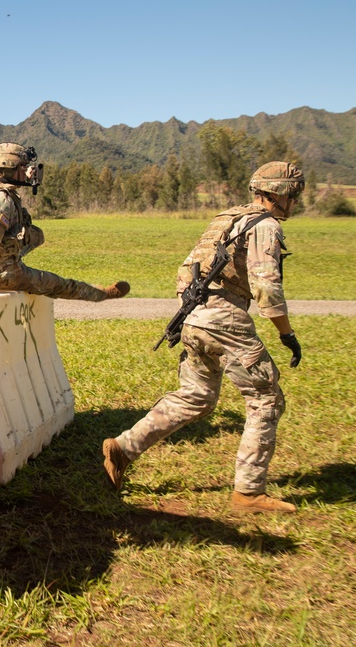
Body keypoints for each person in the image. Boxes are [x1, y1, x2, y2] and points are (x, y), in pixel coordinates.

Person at [103, 161, 306, 513]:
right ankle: (249, 494)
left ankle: (123, 447)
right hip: (224, 319)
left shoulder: (226, 219)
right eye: (295, 195)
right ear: (281, 193)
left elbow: (187, 270)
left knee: (196, 396)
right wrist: (286, 334)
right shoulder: (266, 226)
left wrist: (196, 313)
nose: (296, 203)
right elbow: (266, 289)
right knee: (266, 399)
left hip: (194, 316)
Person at [0, 142, 130, 300]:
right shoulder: (0, 202)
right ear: (9, 167)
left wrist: (20, 175)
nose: (28, 171)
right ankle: (101, 294)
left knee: (36, 235)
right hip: (2, 275)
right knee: (57, 284)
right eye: (23, 167)